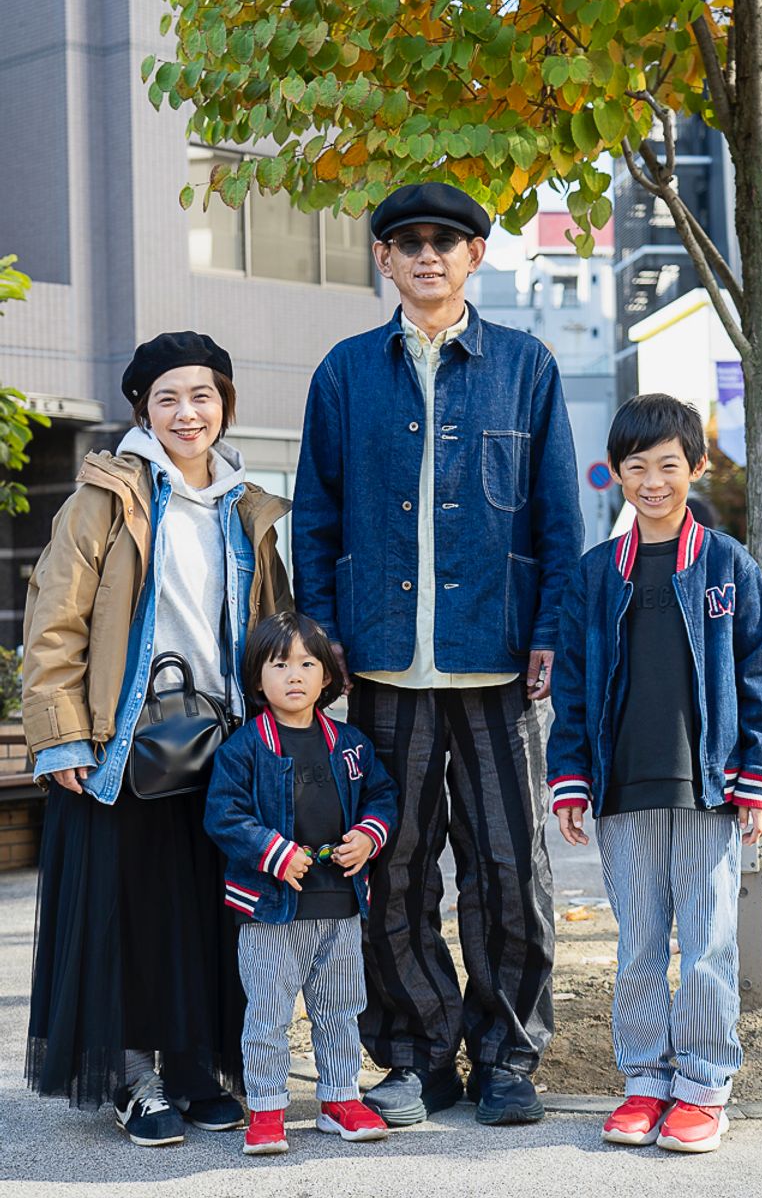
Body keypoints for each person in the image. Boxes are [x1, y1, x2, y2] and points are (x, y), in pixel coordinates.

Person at [292, 182, 583, 1126]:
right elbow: (319, 518)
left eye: (446, 242)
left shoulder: (526, 367)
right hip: (382, 667)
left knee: (508, 863)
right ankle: (416, 1055)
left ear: (475, 257)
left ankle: (506, 1057)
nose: (427, 255)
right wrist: (325, 640)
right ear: (383, 259)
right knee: (395, 865)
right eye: (407, 242)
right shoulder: (343, 374)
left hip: (498, 664)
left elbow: (556, 517)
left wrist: (547, 631)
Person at [22, 331, 292, 1146]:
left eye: (203, 395)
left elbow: (269, 631)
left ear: (225, 405)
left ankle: (194, 1066)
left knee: (208, 913)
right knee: (129, 915)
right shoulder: (106, 499)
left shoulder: (248, 506)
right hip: (123, 745)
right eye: (168, 397)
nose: (187, 412)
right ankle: (134, 1081)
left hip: (223, 745)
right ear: (143, 407)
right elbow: (54, 622)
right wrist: (63, 738)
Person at [547, 393, 762, 1153]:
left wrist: (759, 777)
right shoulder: (596, 574)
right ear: (617, 474)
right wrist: (571, 777)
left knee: (711, 941)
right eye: (636, 467)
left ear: (696, 467)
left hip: (709, 790)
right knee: (641, 943)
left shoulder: (727, 564)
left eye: (668, 466)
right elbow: (574, 685)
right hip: (623, 793)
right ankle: (646, 1080)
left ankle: (704, 1086)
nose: (652, 481)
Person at [204, 611, 398, 1154]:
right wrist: (274, 852)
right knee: (267, 1011)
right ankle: (266, 1109)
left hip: (338, 908)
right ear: (257, 678)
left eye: (308, 663)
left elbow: (383, 796)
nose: (295, 675)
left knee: (340, 1008)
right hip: (270, 912)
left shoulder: (350, 743)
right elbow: (224, 814)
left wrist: (369, 835)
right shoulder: (245, 748)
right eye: (280, 663)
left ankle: (339, 1097)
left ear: (326, 676)